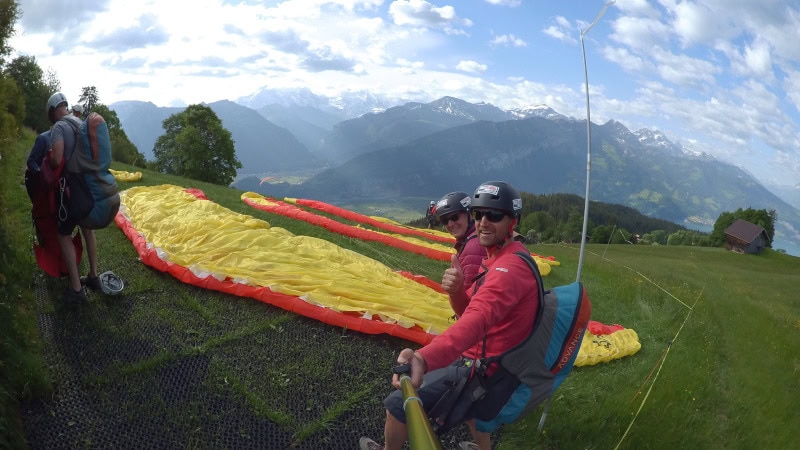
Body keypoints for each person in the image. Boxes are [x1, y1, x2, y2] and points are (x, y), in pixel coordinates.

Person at [360, 181, 539, 450]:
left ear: (513, 221)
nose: (484, 222)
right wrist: (457, 291)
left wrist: (424, 358)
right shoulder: (502, 255)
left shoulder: (509, 269)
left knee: (397, 405)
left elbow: (475, 320)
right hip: (495, 362)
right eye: (480, 214)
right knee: (470, 412)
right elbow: (472, 310)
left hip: (485, 368)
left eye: (494, 215)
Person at [47, 92, 102, 304]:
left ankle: (77, 289)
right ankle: (94, 276)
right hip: (87, 185)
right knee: (87, 229)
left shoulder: (59, 127)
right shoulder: (79, 122)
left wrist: (50, 162)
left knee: (64, 235)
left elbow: (57, 159)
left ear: (52, 111)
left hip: (70, 188)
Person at [433, 191, 483, 314]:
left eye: (455, 217)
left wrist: (454, 292)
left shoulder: (474, 247)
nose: (450, 224)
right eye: (445, 220)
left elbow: (469, 305)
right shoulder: (472, 240)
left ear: (470, 215)